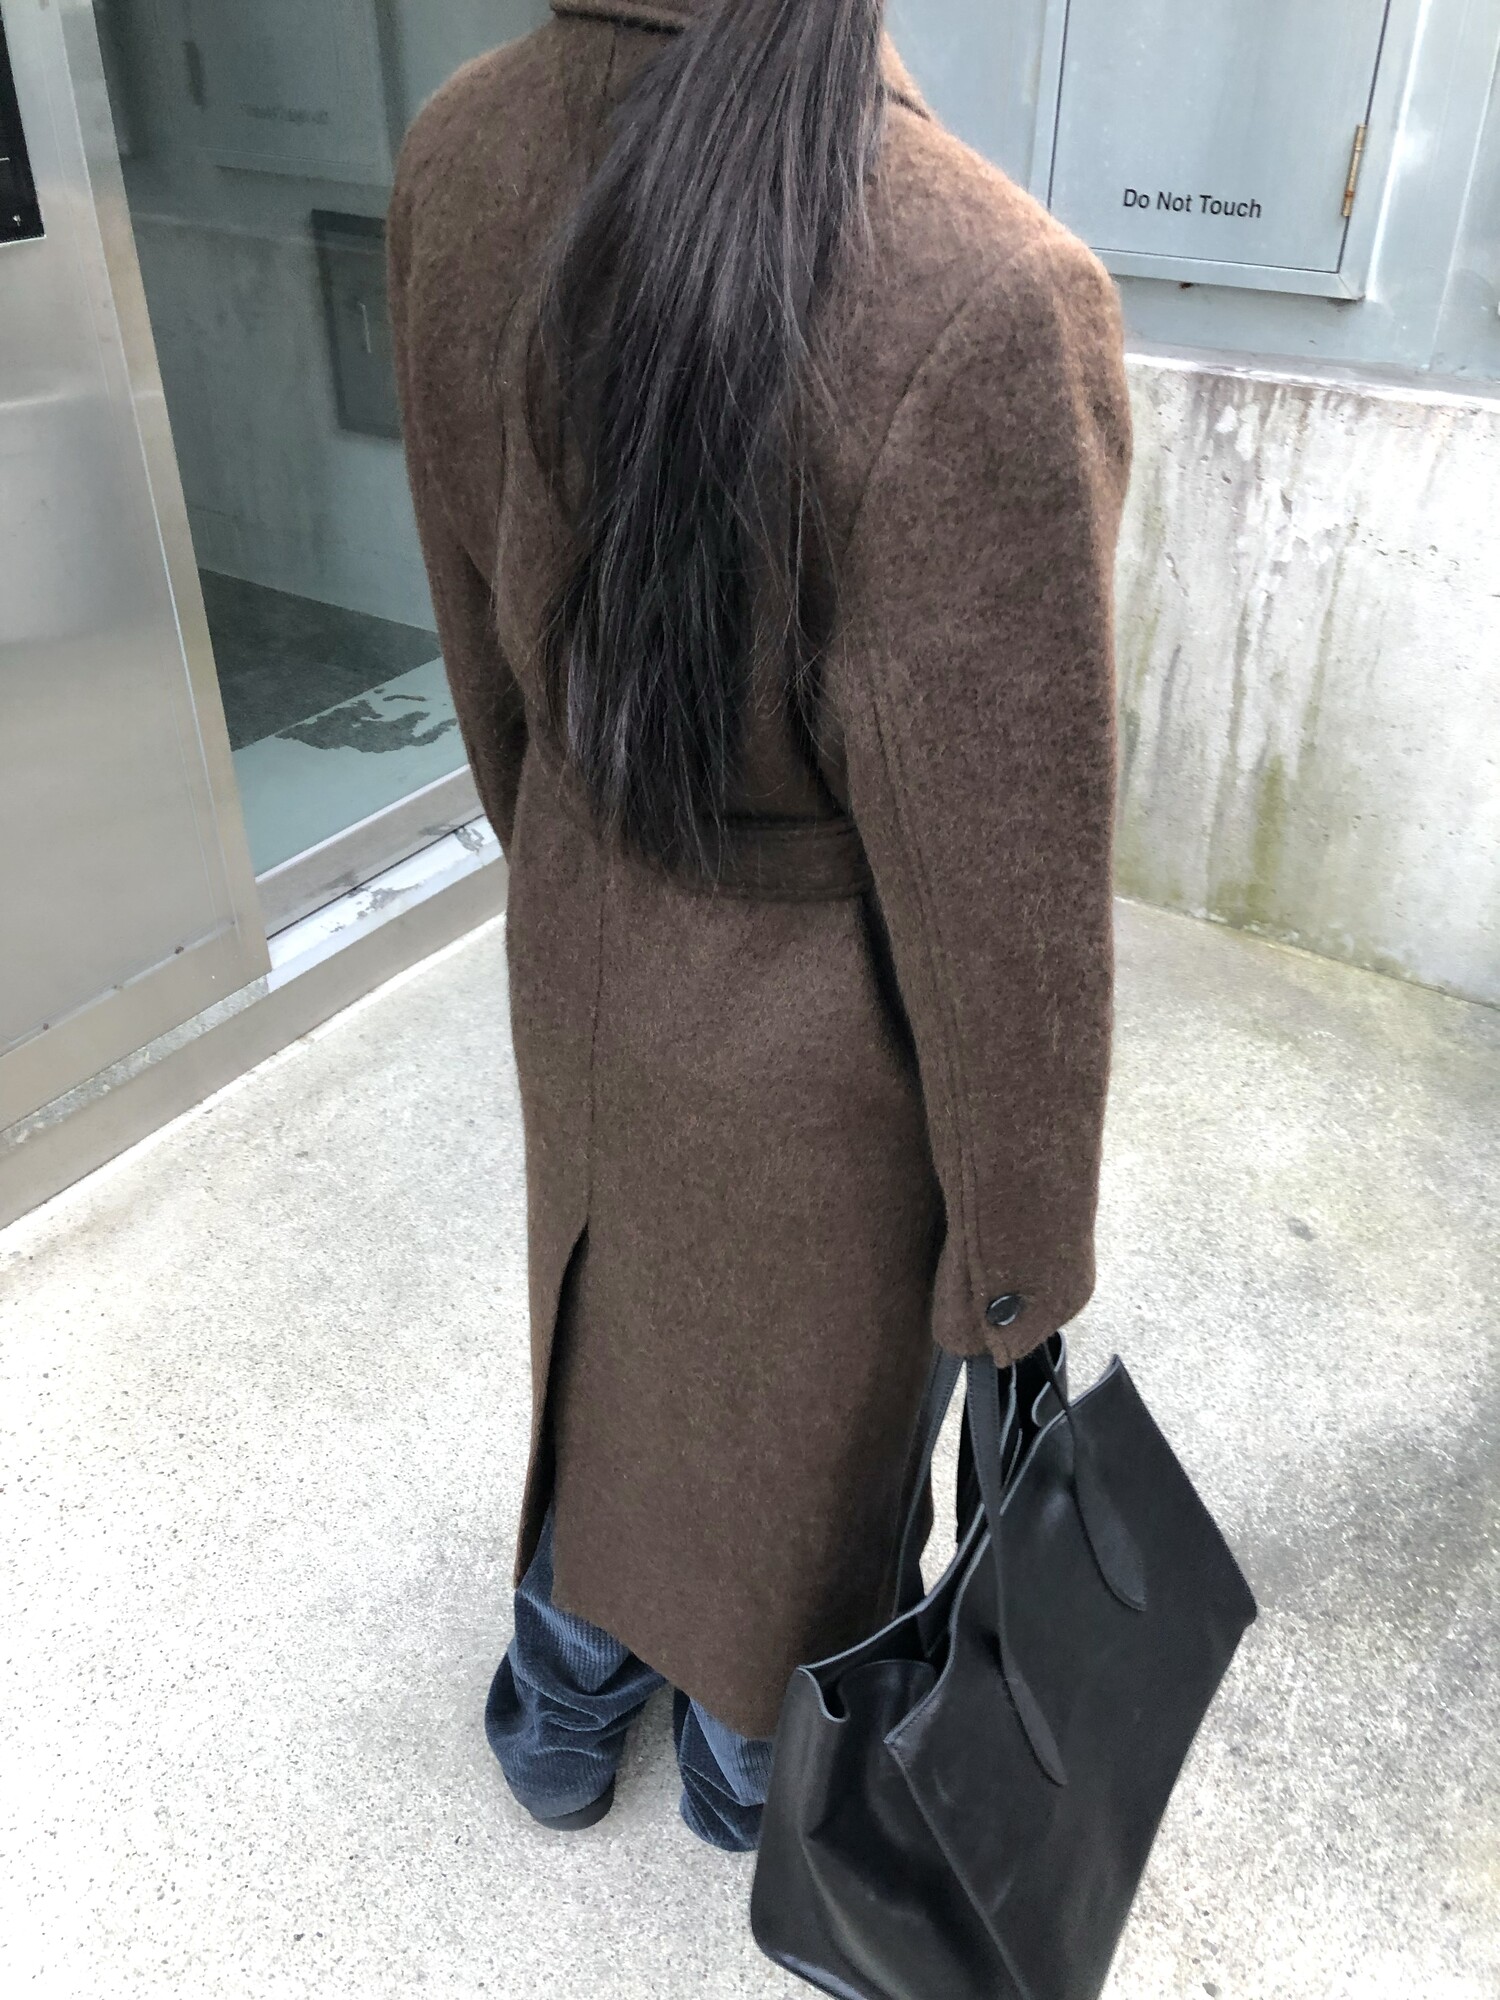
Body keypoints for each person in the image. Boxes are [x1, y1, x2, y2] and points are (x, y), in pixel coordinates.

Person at [388, 0, 1130, 1853]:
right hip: (827, 1021)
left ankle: (561, 1707)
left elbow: (475, 617)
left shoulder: (462, 146)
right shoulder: (976, 282)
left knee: (600, 1316)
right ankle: (746, 1767)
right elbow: (1003, 887)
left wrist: (568, 853)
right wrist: (1020, 1260)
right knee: (810, 1409)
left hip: (582, 913)